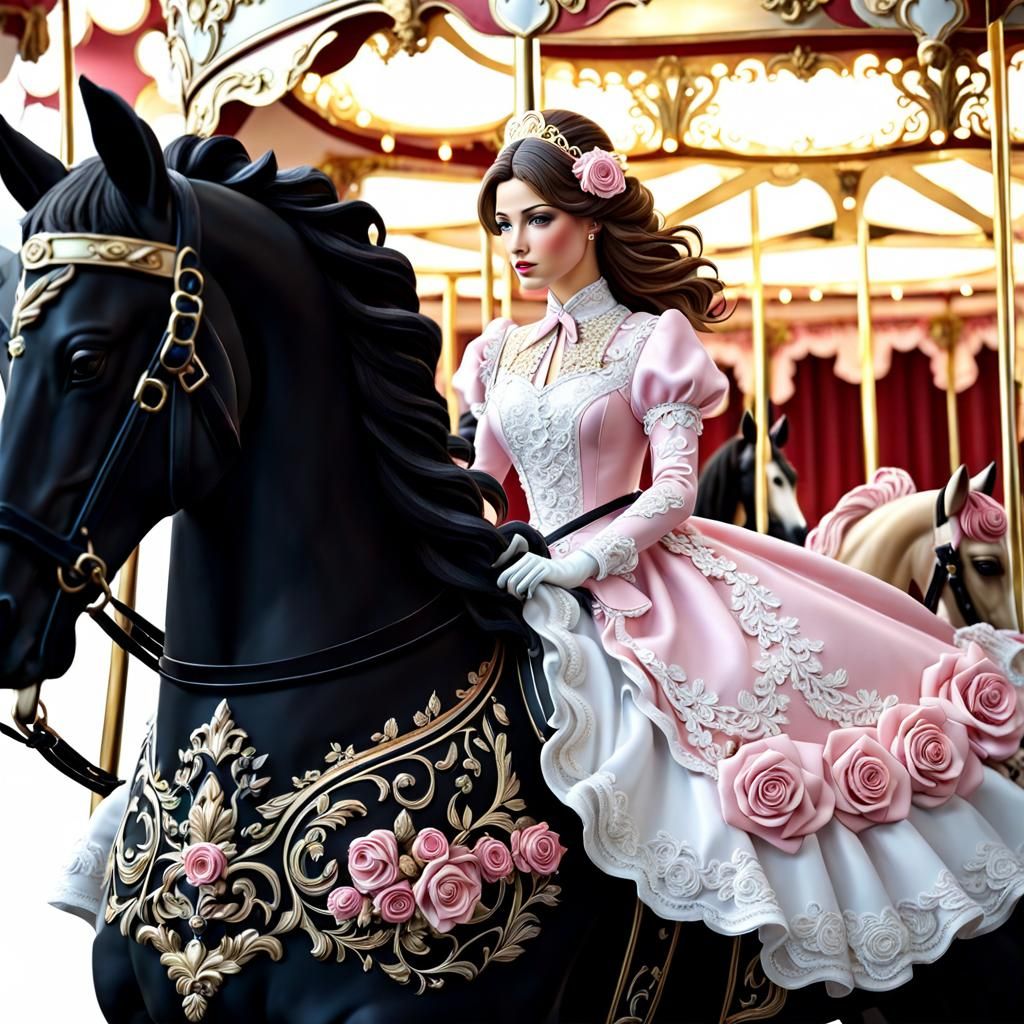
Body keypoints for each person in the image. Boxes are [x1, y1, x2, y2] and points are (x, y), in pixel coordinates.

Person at [452, 108, 1024, 997]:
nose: (515, 242)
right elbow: (479, 482)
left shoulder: (651, 341)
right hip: (528, 571)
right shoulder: (495, 353)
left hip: (638, 570)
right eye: (503, 222)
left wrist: (583, 564)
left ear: (591, 219)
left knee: (710, 747)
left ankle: (724, 962)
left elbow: (674, 490)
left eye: (536, 217)